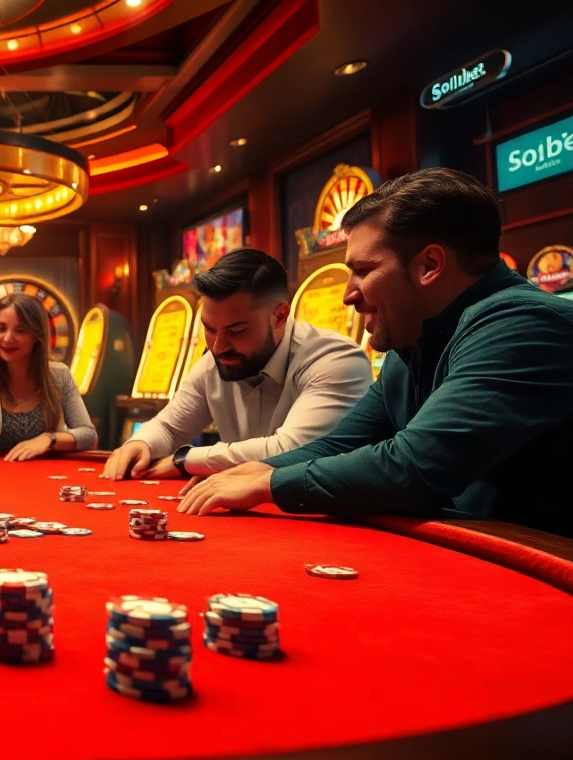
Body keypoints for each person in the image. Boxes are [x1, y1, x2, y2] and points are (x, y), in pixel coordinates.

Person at [177, 168, 573, 538]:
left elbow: (413, 466)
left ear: (429, 265)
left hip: (547, 578)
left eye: (363, 270)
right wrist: (252, 471)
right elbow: (339, 444)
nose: (348, 294)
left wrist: (267, 484)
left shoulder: (526, 323)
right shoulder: (413, 341)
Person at [103, 249, 373, 481]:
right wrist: (141, 443)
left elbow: (291, 451)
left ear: (279, 316)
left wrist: (186, 459)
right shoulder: (214, 362)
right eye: (209, 329)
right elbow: (168, 427)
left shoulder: (335, 360)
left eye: (237, 331)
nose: (218, 347)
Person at [0, 292, 97, 460]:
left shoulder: (59, 375)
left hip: (46, 476)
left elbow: (88, 435)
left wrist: (48, 439)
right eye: (1, 328)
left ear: (36, 336)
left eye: (20, 330)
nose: (7, 338)